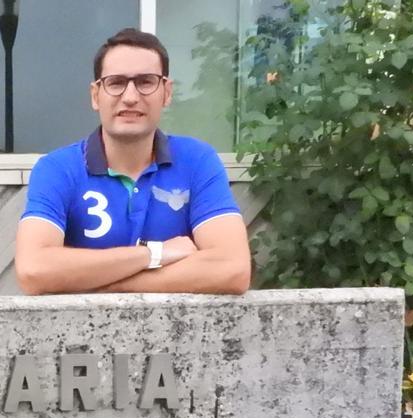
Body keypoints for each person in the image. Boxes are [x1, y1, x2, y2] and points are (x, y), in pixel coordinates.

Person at [14, 28, 251, 296]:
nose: (130, 97)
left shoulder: (197, 161)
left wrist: (104, 284)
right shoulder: (57, 169)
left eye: (146, 82)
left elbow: (232, 268)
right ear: (96, 95)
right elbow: (34, 270)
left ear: (167, 92)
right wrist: (154, 254)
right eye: (115, 82)